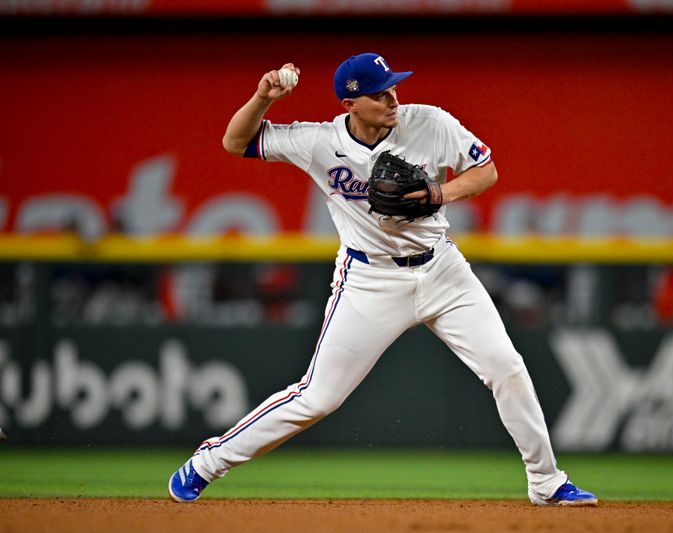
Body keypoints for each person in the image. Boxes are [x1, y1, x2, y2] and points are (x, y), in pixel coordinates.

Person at [168, 52, 597, 506]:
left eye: (393, 87)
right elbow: (236, 142)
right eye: (379, 93)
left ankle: (546, 482)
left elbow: (486, 170)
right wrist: (261, 98)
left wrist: (440, 193)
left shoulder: (430, 123)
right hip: (369, 280)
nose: (392, 98)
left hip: (442, 270)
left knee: (507, 368)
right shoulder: (319, 142)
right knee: (317, 398)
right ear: (350, 103)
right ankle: (206, 463)